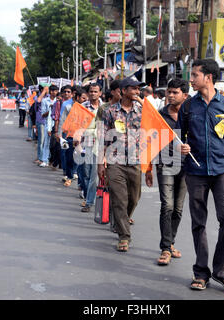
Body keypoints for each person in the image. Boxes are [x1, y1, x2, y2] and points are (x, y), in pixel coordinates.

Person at [177, 59, 224, 291]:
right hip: (195, 171)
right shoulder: (188, 106)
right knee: (198, 222)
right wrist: (181, 147)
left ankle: (222, 270)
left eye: (194, 75)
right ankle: (201, 272)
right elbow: (177, 137)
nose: (191, 80)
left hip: (222, 169)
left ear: (208, 77)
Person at [145, 78, 189, 266]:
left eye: (175, 92)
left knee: (178, 209)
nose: (170, 95)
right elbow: (150, 141)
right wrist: (148, 167)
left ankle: (171, 243)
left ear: (185, 95)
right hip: (166, 164)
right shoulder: (159, 115)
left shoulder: (191, 114)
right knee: (167, 205)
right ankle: (165, 248)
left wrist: (190, 147)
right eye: (168, 92)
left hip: (188, 166)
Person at [99, 77, 145, 252]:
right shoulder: (110, 111)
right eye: (133, 89)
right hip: (114, 161)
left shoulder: (142, 111)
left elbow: (154, 125)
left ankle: (120, 220)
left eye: (138, 89)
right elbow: (103, 137)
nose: (137, 92)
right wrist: (100, 163)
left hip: (135, 161)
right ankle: (124, 236)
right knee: (119, 198)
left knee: (134, 198)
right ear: (123, 91)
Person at [79, 83, 102, 213]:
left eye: (95, 91)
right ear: (88, 93)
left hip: (100, 145)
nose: (93, 93)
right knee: (85, 173)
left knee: (94, 176)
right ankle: (87, 195)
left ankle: (89, 201)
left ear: (100, 93)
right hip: (86, 143)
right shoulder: (83, 108)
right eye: (91, 91)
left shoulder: (105, 108)